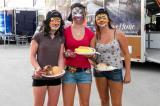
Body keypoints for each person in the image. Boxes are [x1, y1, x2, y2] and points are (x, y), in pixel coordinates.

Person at [91, 8, 131, 106]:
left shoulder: (118, 33)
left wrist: (128, 73)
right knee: (104, 101)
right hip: (99, 72)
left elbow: (126, 54)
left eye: (103, 17)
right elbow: (92, 55)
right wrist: (90, 59)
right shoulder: (95, 36)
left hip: (115, 71)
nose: (101, 20)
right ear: (96, 20)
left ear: (108, 19)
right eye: (98, 18)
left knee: (116, 103)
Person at [30, 10, 65, 106]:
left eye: (58, 20)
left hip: (55, 76)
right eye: (53, 20)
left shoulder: (61, 37)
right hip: (40, 75)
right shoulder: (38, 36)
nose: (55, 22)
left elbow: (61, 57)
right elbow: (32, 56)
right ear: (48, 21)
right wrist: (37, 68)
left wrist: (61, 70)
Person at [62, 3, 95, 106]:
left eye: (81, 13)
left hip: (85, 73)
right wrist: (65, 53)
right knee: (67, 104)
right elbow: (61, 52)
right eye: (75, 13)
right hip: (68, 72)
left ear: (84, 14)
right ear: (71, 15)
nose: (78, 16)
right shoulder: (64, 32)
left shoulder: (90, 33)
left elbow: (94, 55)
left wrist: (91, 55)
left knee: (85, 103)